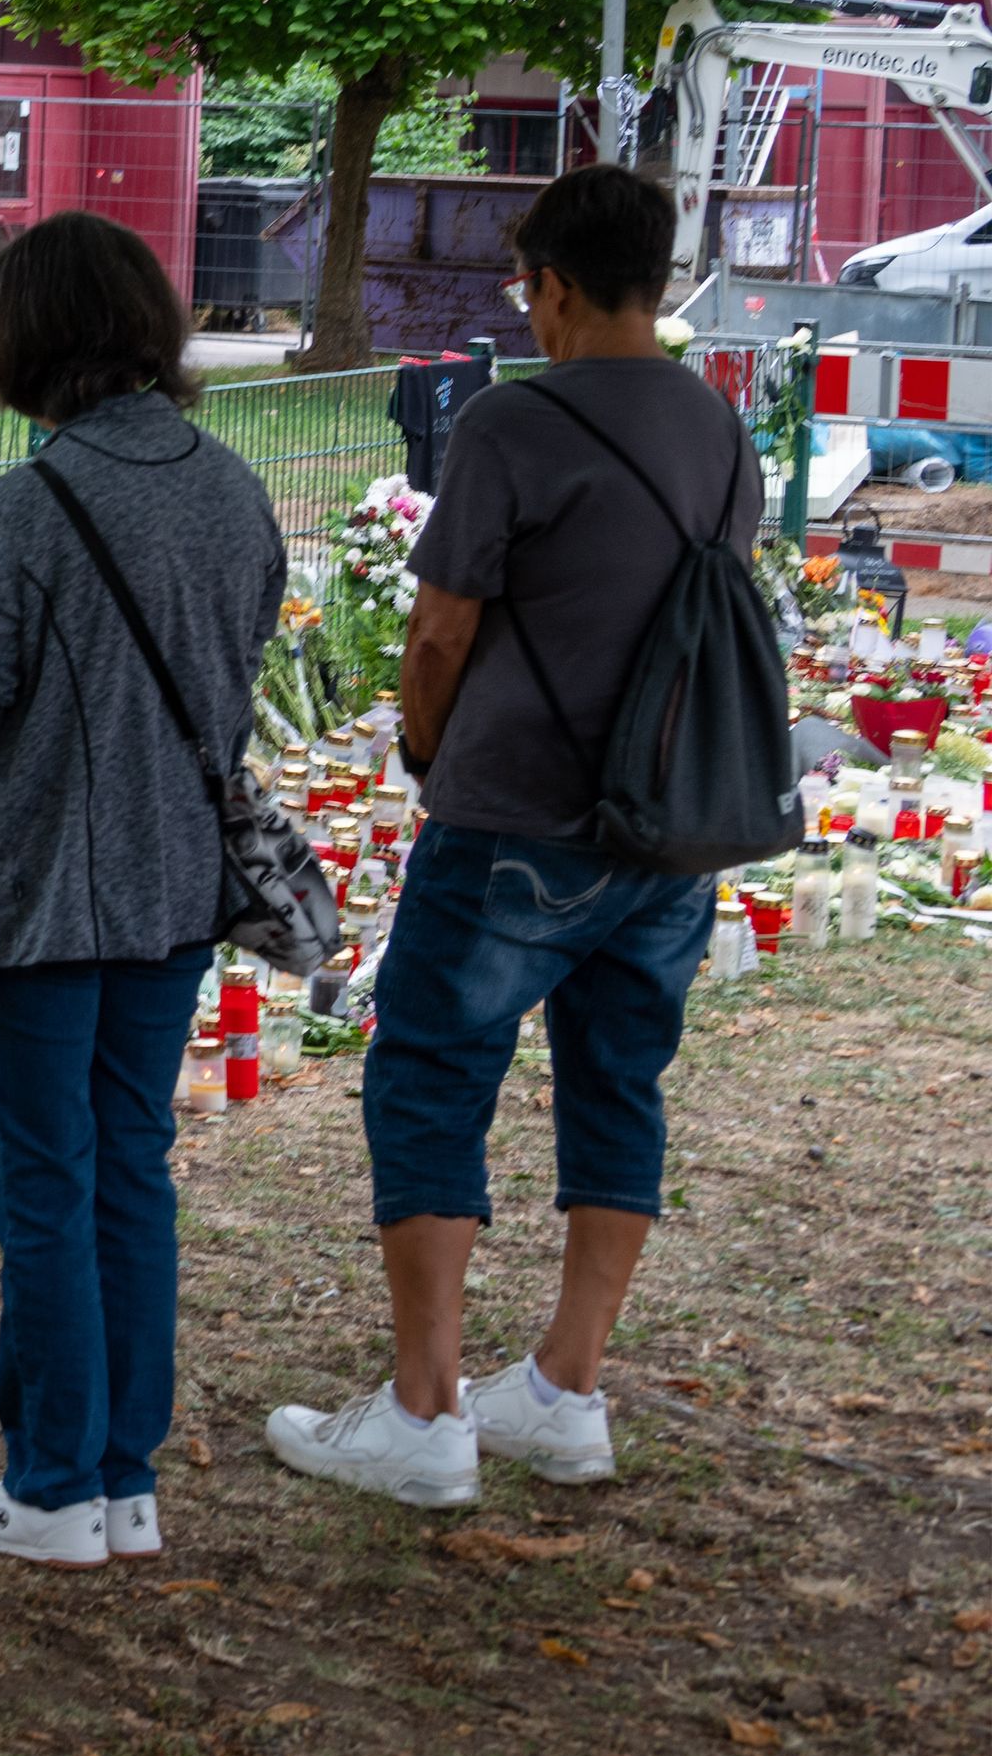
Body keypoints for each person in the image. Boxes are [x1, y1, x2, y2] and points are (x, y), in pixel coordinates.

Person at [269, 163, 756, 1507]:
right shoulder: (723, 432)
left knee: (429, 1078)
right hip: (668, 830)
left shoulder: (507, 426)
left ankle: (427, 1413)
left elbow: (440, 629)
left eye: (527, 286)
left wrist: (425, 750)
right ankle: (565, 1390)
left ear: (548, 284)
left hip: (514, 823)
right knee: (620, 1085)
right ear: (654, 279)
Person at [0, 212, 286, 1567]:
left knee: (46, 1182)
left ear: (31, 341)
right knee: (130, 1168)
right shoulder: (234, 486)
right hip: (175, 889)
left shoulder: (29, 503)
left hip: (39, 897)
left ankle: (53, 1483)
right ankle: (123, 1475)